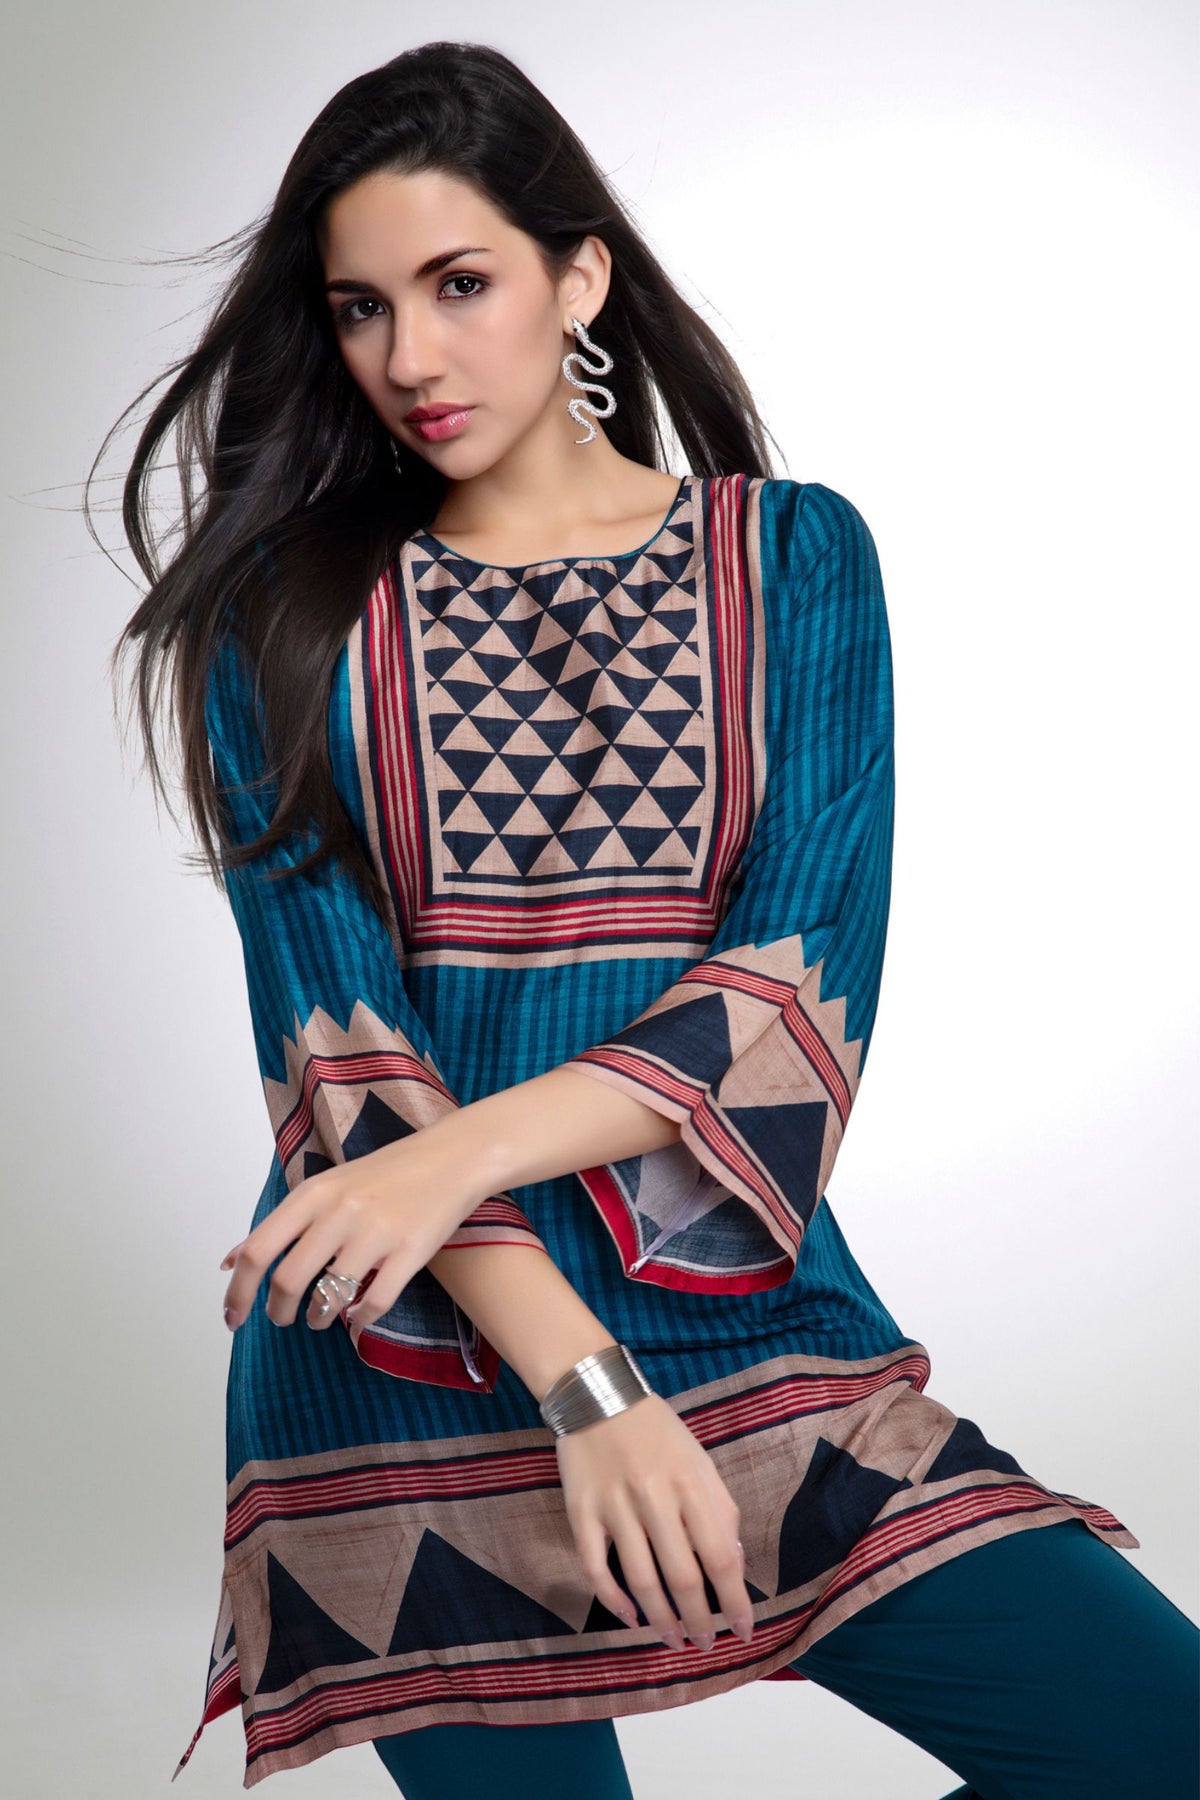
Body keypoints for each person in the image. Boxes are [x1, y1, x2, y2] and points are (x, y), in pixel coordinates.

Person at [99, 39, 1197, 1800]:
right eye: (363, 308)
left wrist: (449, 1163)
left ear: (581, 276)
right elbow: (338, 1053)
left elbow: (788, 992)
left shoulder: (796, 560)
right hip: (408, 1363)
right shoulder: (286, 623)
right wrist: (585, 1387)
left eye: (460, 284)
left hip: (736, 1309)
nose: (410, 356)